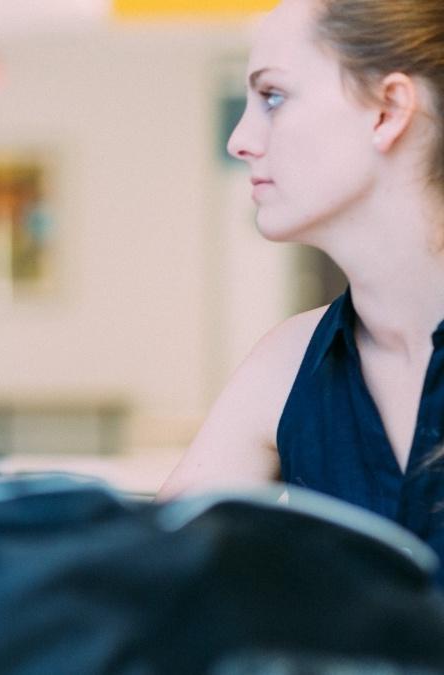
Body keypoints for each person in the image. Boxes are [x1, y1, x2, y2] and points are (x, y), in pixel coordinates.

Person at [160, 0, 444, 574]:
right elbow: (135, 585)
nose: (240, 139)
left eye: (273, 97)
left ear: (388, 110)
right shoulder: (288, 362)